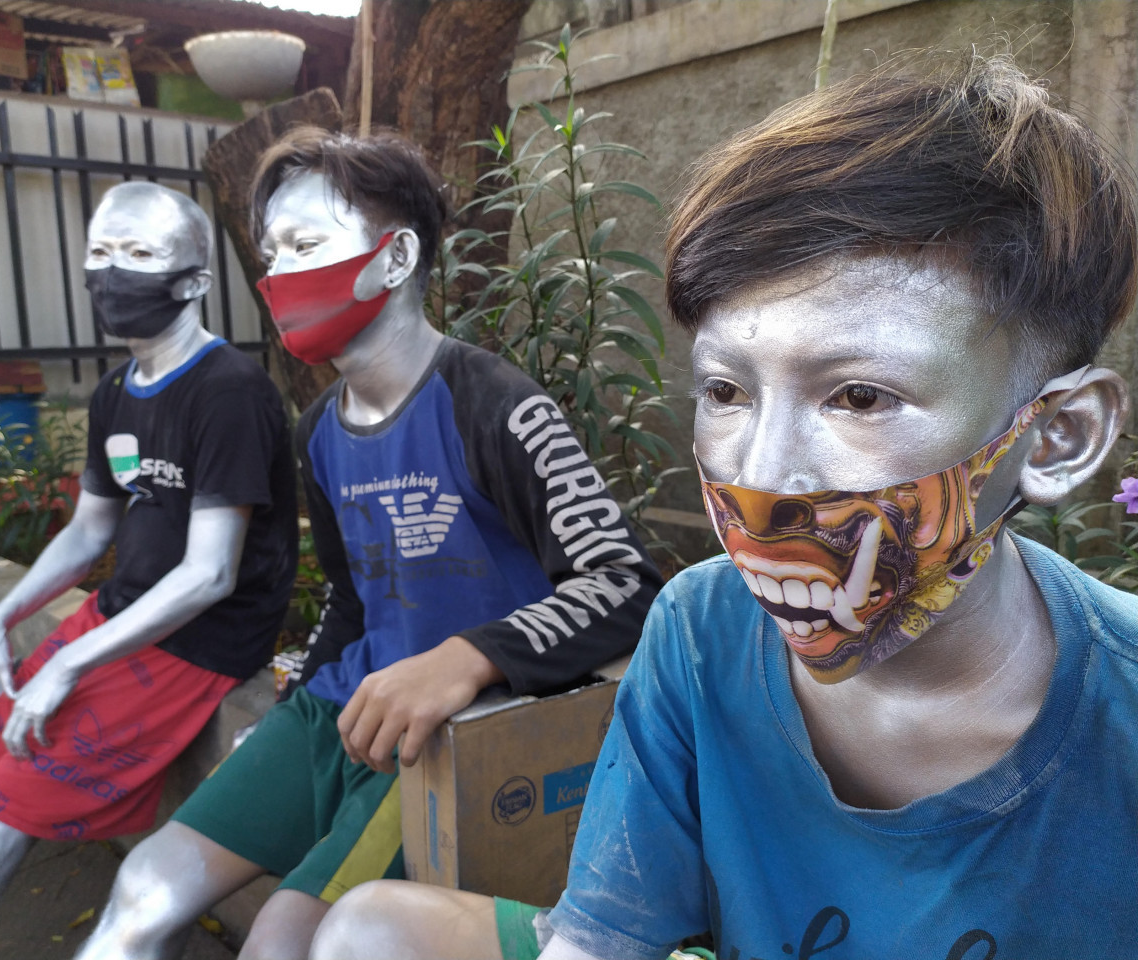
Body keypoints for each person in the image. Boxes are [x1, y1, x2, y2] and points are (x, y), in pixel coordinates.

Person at [306, 51, 1138, 960]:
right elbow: (602, 938)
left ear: (1059, 438)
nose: (765, 477)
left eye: (859, 396)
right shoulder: (702, 628)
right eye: (726, 391)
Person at [73, 128, 661, 960]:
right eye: (271, 254)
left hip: (444, 735)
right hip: (337, 711)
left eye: (306, 244)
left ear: (394, 259)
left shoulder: (495, 405)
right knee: (142, 889)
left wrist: (467, 658)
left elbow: (626, 582)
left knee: (282, 939)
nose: (277, 273)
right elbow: (355, 599)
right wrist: (289, 710)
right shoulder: (316, 432)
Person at [0, 182, 298, 960]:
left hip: (194, 646)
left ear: (194, 281)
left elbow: (209, 576)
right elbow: (88, 529)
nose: (111, 272)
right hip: (119, 619)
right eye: (100, 253)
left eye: (139, 255)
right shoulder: (115, 394)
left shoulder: (228, 391)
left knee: (2, 814)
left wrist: (66, 667)